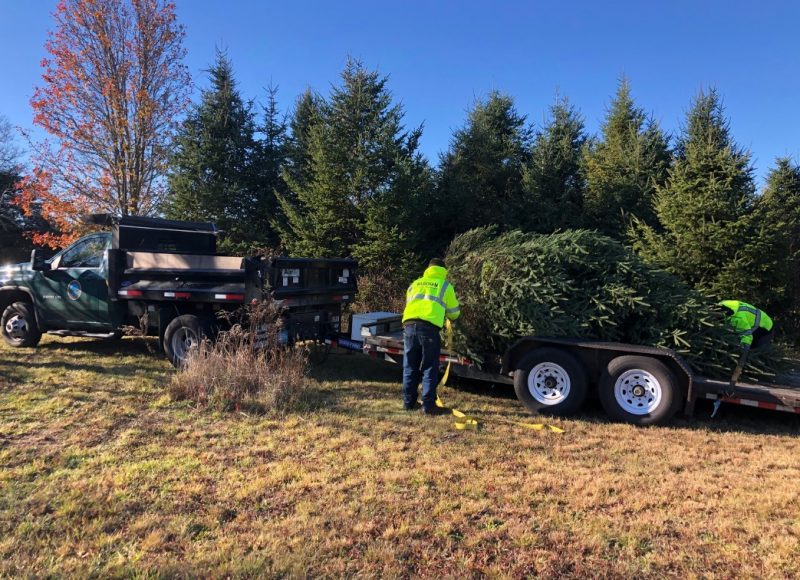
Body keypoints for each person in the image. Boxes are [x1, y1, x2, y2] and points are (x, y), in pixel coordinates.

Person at [401, 258, 461, 415]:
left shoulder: (415, 284)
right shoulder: (445, 286)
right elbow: (454, 313)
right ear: (443, 271)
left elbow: (410, 304)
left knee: (410, 366)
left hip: (409, 326)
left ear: (428, 268)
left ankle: (408, 403)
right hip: (428, 330)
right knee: (429, 366)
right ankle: (428, 406)